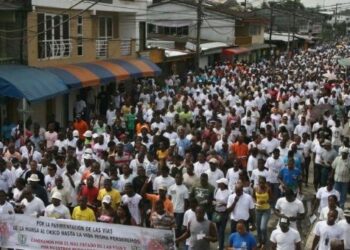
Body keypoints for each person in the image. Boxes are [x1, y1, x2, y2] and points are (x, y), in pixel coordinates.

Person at [168, 173, 189, 238]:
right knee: (170, 225)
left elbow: (186, 201)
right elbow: (169, 198)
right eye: (176, 177)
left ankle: (176, 241)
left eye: (179, 177)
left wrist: (185, 211)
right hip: (172, 210)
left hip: (180, 211)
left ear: (182, 179)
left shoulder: (185, 189)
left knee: (177, 227)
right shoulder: (171, 187)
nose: (177, 179)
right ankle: (171, 239)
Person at [253, 176, 272, 248]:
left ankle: (264, 241)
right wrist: (255, 202)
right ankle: (259, 241)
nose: (261, 184)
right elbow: (253, 197)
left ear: (265, 183)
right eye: (260, 183)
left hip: (266, 210)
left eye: (263, 183)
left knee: (263, 228)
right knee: (258, 228)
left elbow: (271, 199)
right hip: (258, 210)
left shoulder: (268, 189)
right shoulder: (255, 188)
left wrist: (265, 201)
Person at [213, 178, 230, 250]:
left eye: (220, 183)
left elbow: (229, 204)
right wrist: (214, 203)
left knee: (221, 230)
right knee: (218, 230)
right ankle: (220, 243)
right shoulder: (217, 190)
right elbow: (215, 199)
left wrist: (223, 204)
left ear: (224, 184)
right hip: (217, 212)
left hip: (224, 213)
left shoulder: (228, 192)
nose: (218, 184)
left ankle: (221, 246)